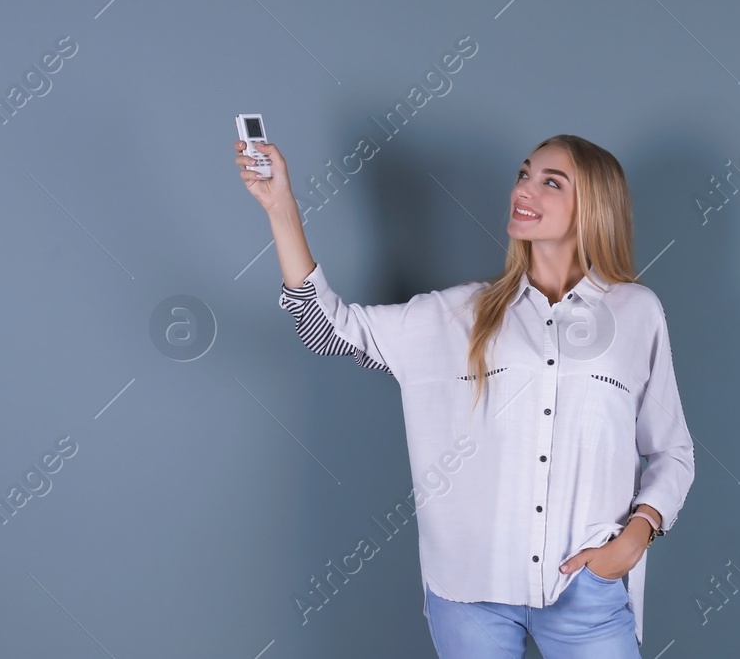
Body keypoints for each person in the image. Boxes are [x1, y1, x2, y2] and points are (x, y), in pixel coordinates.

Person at [234, 133, 695, 658]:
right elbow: (325, 326)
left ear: (593, 205)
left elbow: (672, 450)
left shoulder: (636, 313)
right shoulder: (459, 314)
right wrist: (281, 206)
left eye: (551, 182)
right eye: (524, 174)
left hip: (585, 589)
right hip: (470, 592)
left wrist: (637, 535)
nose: (525, 189)